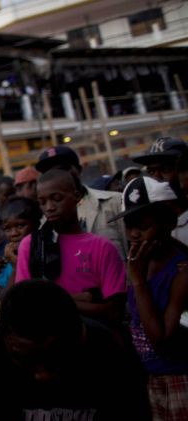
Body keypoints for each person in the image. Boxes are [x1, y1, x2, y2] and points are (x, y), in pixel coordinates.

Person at [0, 280, 151, 420]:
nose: (42, 375)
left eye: (55, 356)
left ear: (79, 334)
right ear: (4, 338)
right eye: (25, 359)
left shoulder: (110, 350)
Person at [111, 176, 188, 420]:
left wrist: (138, 281)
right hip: (152, 378)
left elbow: (162, 340)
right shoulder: (138, 264)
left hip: (180, 378)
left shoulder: (181, 271)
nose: (134, 234)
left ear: (167, 223)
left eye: (143, 226)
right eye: (129, 226)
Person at [15, 169, 127, 324]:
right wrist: (81, 298)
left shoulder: (102, 247)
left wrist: (50, 299)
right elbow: (26, 305)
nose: (49, 207)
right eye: (42, 202)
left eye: (57, 198)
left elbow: (113, 311)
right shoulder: (32, 245)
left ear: (77, 196)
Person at [35, 145, 125, 258]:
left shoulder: (115, 202)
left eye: (62, 169)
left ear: (78, 170)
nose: (56, 177)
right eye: (49, 174)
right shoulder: (46, 221)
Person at [0, 196, 41, 295]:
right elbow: (3, 299)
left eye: (20, 226)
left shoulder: (46, 253)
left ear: (36, 225)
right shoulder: (5, 265)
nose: (14, 233)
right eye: (7, 229)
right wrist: (15, 267)